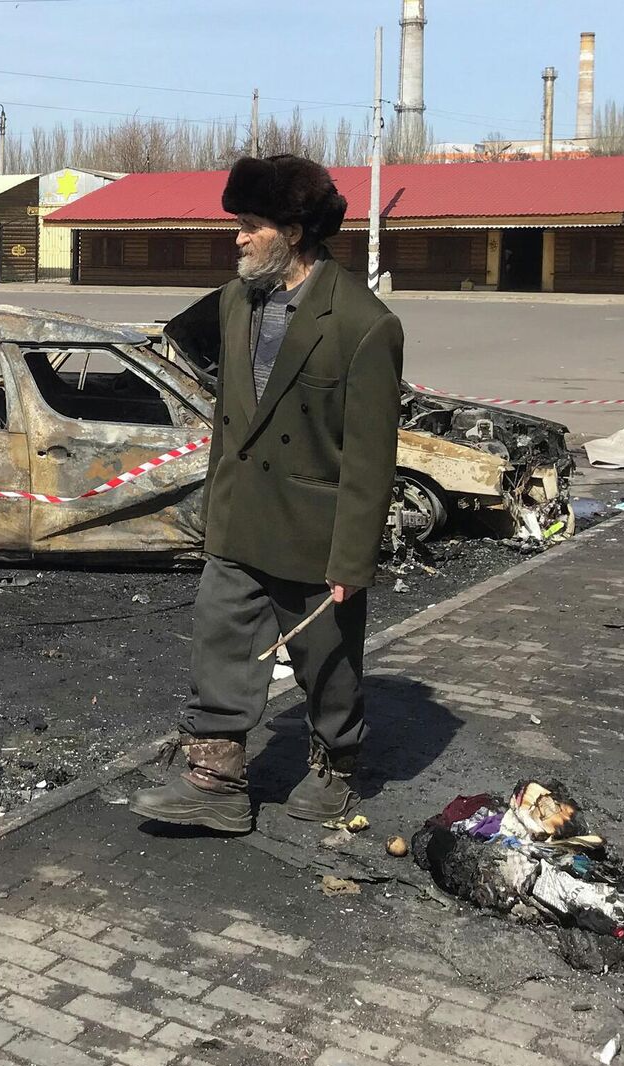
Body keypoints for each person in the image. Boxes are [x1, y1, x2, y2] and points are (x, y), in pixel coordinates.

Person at [129, 155, 403, 834]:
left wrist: (352, 560)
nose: (239, 238)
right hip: (239, 519)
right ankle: (215, 781)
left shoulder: (364, 324)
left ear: (295, 230)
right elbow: (231, 418)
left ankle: (337, 765)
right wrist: (213, 506)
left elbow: (371, 458)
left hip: (316, 530)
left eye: (252, 226)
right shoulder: (233, 302)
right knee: (218, 646)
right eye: (239, 225)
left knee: (327, 666)